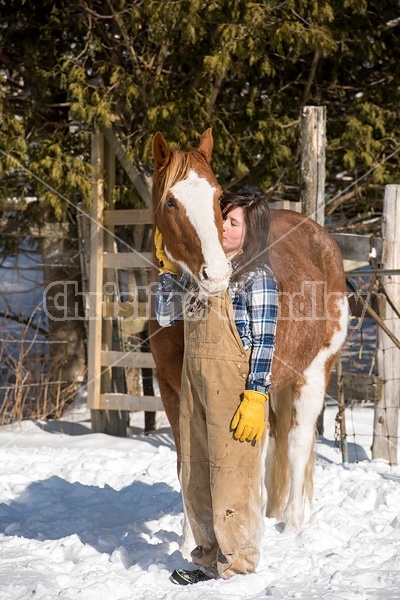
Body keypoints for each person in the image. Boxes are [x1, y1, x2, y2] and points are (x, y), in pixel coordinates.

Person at [154, 194, 279, 585]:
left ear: (251, 234)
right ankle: (209, 559)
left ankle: (238, 566)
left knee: (232, 478)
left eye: (234, 223)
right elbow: (165, 314)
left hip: (235, 393)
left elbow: (265, 343)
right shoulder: (200, 273)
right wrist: (167, 270)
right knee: (196, 474)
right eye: (223, 219)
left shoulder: (258, 278)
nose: (224, 226)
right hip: (196, 390)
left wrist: (257, 395)